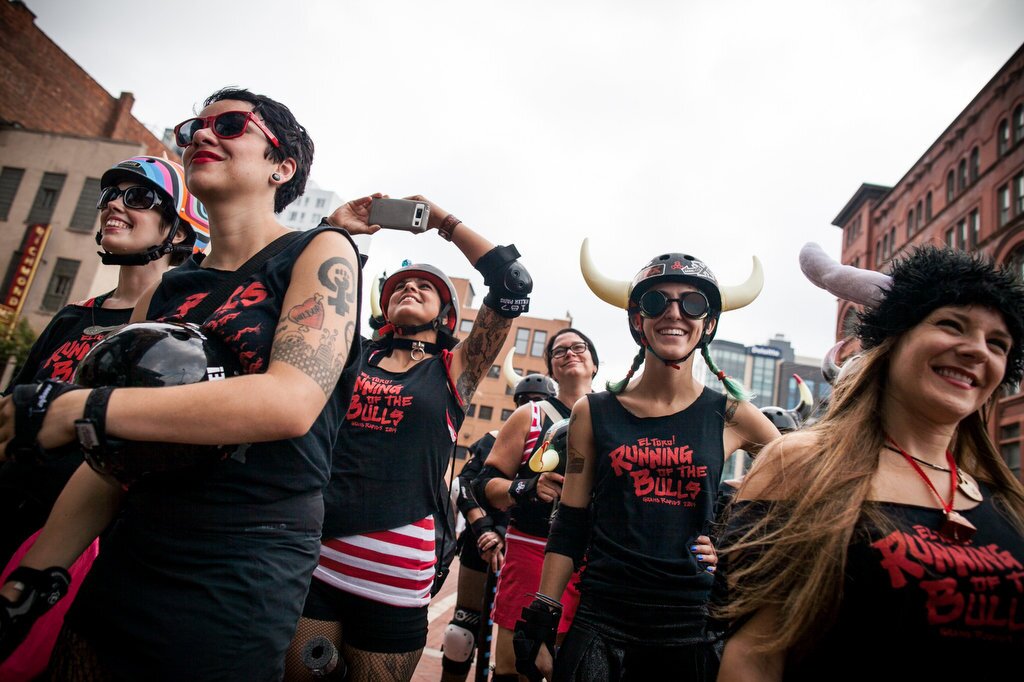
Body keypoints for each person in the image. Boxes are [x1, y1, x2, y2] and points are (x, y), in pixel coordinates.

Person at [0, 87, 362, 680]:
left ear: (282, 166)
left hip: (239, 570)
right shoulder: (171, 288)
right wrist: (34, 576)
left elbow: (290, 401)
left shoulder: (319, 252)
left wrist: (78, 406)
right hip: (136, 547)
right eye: (194, 125)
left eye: (231, 125)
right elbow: (112, 461)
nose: (201, 134)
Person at [716, 245, 1024, 680]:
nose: (977, 351)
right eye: (951, 325)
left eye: (998, 343)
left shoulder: (1007, 500)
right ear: (892, 342)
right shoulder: (803, 462)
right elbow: (754, 655)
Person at [285, 198, 532, 682]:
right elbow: (293, 288)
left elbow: (512, 285)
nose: (411, 288)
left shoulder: (455, 370)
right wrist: (334, 229)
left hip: (397, 567)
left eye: (425, 287)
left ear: (445, 315)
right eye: (400, 286)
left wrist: (442, 222)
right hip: (316, 551)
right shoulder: (349, 352)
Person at [516, 243, 779, 681]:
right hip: (602, 619)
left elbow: (805, 479)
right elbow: (571, 522)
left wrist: (734, 540)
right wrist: (543, 611)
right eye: (657, 302)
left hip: (689, 627)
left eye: (692, 303)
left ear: (708, 323)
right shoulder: (592, 411)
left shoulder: (731, 414)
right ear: (638, 321)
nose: (674, 314)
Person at [0, 155, 209, 565]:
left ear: (181, 229)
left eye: (138, 196)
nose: (113, 204)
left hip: (79, 544)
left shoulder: (181, 334)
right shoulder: (72, 316)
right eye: (110, 195)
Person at [472, 328, 599, 682]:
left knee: (572, 667)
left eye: (579, 347)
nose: (570, 353)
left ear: (594, 363)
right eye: (559, 351)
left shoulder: (612, 416)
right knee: (516, 667)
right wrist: (528, 486)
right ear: (551, 369)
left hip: (590, 559)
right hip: (532, 550)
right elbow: (484, 485)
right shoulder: (531, 415)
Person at [441, 370, 556, 682]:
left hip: (524, 545)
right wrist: (485, 530)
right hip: (484, 539)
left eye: (540, 402)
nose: (533, 407)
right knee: (460, 633)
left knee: (526, 641)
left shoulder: (564, 438)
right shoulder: (494, 437)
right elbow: (465, 486)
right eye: (526, 401)